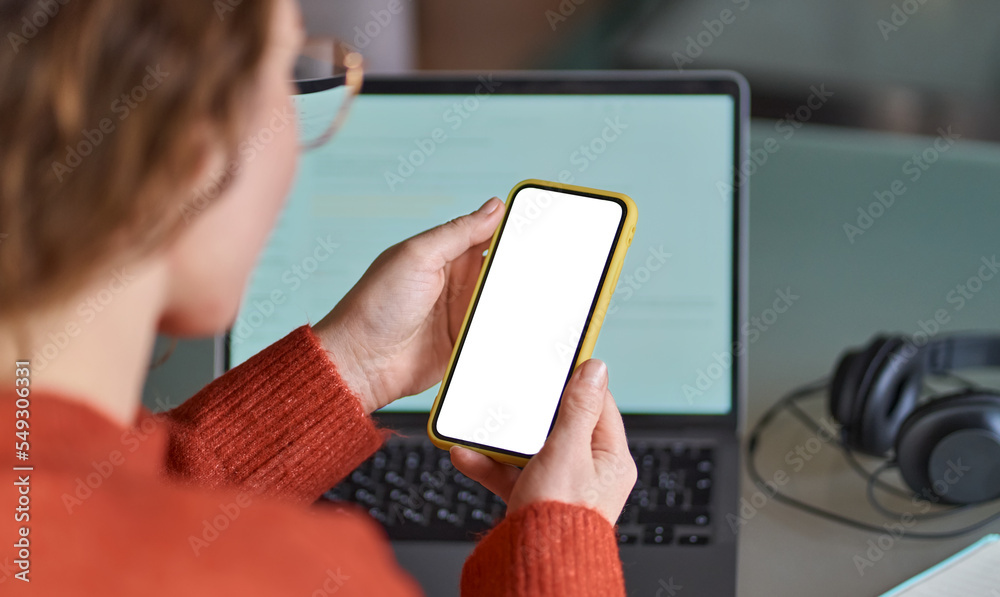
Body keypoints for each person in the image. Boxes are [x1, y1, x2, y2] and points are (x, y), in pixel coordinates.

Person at [0, 0, 637, 594]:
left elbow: (92, 511)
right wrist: (562, 550)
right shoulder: (303, 575)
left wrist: (354, 364)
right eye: (290, 74)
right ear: (190, 160)